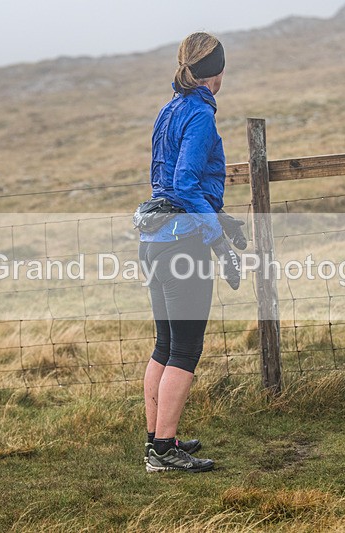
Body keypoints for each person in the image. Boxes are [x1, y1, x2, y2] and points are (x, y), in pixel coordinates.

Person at [137, 32, 244, 473]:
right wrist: (216, 239)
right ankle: (163, 452)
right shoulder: (200, 114)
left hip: (153, 238)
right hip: (183, 243)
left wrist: (220, 222)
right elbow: (185, 185)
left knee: (165, 344)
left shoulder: (169, 108)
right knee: (185, 350)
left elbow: (168, 183)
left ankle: (157, 439)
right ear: (216, 73)